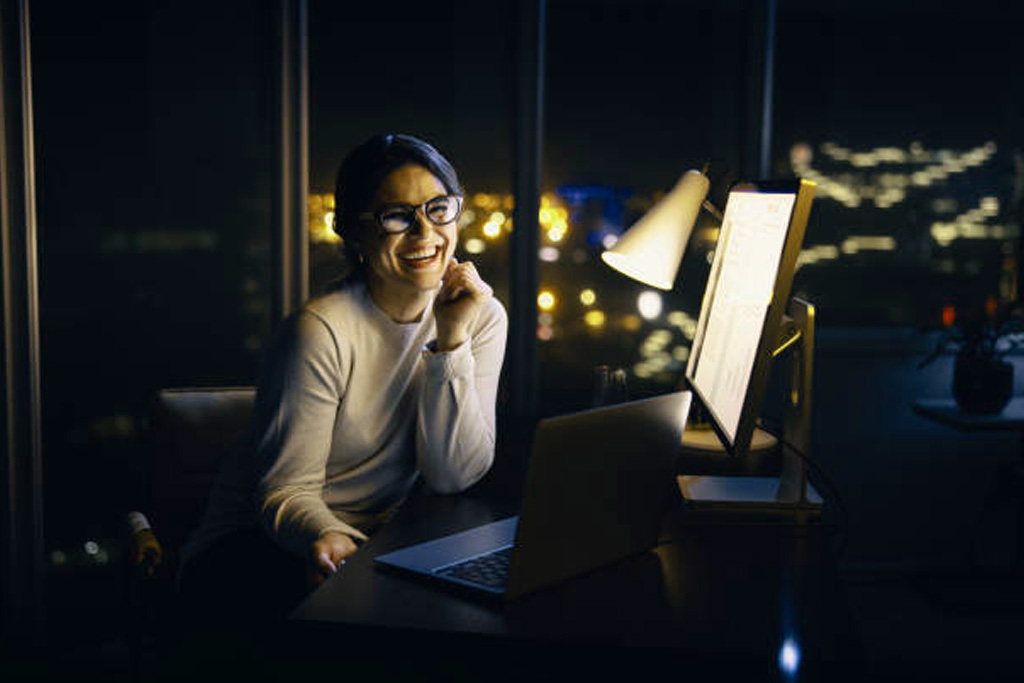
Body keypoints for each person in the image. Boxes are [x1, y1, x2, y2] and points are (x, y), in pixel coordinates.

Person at [177, 133, 508, 623]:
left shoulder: (478, 315)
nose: (424, 232)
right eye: (396, 216)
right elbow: (284, 493)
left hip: (376, 541)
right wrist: (327, 537)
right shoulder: (320, 330)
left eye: (439, 208)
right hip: (256, 546)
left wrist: (451, 341)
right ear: (352, 232)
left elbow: (451, 474)